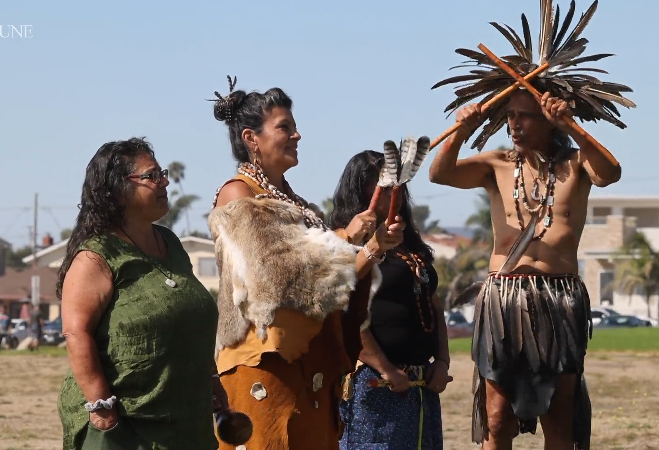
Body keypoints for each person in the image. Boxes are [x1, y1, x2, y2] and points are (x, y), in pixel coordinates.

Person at [429, 3, 634, 449]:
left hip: (559, 298)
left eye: (525, 115)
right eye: (509, 116)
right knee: (497, 418)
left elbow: (611, 172)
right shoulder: (496, 165)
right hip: (505, 299)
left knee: (559, 419)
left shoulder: (575, 165)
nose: (514, 124)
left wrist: (572, 125)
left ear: (548, 119)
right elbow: (439, 174)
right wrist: (462, 131)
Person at [207, 77, 405, 450]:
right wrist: (350, 239)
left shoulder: (297, 203)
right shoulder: (238, 193)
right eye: (285, 127)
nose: (297, 136)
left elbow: (325, 278)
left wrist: (372, 244)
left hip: (308, 364)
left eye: (295, 127)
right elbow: (279, 277)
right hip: (263, 362)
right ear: (252, 138)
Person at [56, 137, 222, 450]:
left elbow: (188, 321)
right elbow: (75, 331)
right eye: (151, 176)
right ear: (118, 191)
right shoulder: (96, 256)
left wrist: (211, 380)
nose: (164, 183)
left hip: (185, 423)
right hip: (126, 428)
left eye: (163, 174)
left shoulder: (169, 243)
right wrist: (101, 407)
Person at [331, 151, 452, 450]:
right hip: (376, 385)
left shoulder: (410, 244)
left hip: (419, 384)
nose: (392, 193)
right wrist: (386, 368)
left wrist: (442, 362)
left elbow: (433, 305)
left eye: (397, 185)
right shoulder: (346, 242)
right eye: (383, 186)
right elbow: (346, 312)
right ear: (361, 190)